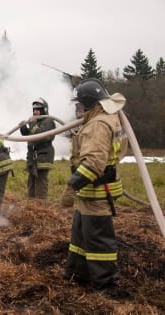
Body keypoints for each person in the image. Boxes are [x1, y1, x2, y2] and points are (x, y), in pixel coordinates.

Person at [64, 78, 128, 290]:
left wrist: (71, 186)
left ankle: (106, 283)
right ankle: (78, 274)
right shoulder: (107, 116)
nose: (78, 108)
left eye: (80, 104)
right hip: (93, 191)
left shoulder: (98, 124)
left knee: (98, 240)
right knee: (81, 237)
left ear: (90, 103)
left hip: (97, 190)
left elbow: (93, 164)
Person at [20, 98, 56, 199]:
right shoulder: (36, 122)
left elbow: (39, 136)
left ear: (44, 110)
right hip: (33, 157)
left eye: (38, 109)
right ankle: (31, 205)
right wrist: (23, 127)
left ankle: (40, 206)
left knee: (41, 182)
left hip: (43, 155)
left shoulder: (48, 121)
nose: (35, 112)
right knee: (31, 181)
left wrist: (32, 123)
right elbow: (28, 135)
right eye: (34, 110)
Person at [60, 102, 85, 207]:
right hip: (76, 163)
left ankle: (70, 208)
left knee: (69, 195)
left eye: (79, 106)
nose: (77, 109)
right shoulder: (75, 123)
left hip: (86, 165)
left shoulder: (91, 123)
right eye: (76, 107)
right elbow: (66, 133)